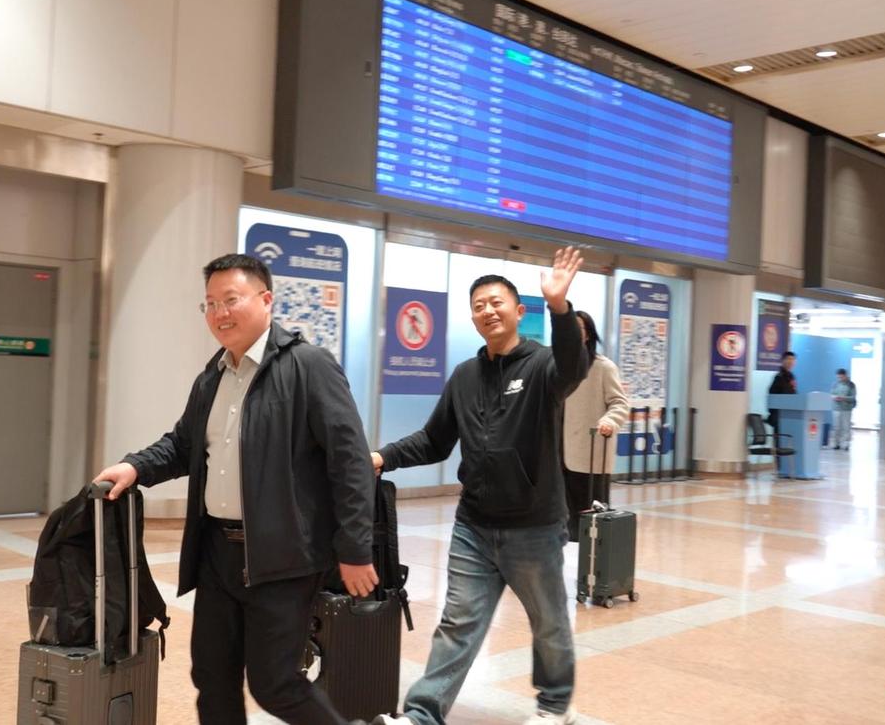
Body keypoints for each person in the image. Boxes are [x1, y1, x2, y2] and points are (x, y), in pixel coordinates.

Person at [93, 254, 378, 725]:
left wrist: (355, 548)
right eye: (210, 304)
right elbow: (183, 444)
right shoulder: (213, 376)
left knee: (276, 685)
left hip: (283, 557)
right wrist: (135, 466)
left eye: (231, 300)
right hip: (217, 554)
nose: (219, 313)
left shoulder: (308, 366)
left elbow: (350, 462)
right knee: (212, 678)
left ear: (266, 300)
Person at [372, 247, 590, 725]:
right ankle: (422, 715)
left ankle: (555, 706)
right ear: (472, 318)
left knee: (549, 623)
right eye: (478, 306)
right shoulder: (465, 376)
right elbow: (434, 440)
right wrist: (383, 457)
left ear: (518, 311)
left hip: (534, 526)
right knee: (458, 623)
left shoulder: (543, 367)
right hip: (474, 525)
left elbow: (574, 367)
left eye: (496, 302)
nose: (488, 311)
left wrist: (560, 307)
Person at [561, 310, 629, 525]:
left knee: (588, 517)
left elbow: (620, 402)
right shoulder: (555, 364)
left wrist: (610, 421)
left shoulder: (603, 367)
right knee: (559, 517)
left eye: (578, 328)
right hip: (556, 452)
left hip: (587, 453)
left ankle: (585, 547)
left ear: (588, 334)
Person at [767, 351, 798, 431]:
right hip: (780, 416)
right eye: (789, 359)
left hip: (790, 415)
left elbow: (793, 393)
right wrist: (773, 414)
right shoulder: (779, 377)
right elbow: (772, 396)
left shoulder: (791, 377)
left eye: (793, 359)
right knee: (780, 437)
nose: (791, 361)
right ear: (783, 361)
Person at [830, 368, 857, 450]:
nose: (840, 379)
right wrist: (835, 397)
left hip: (846, 409)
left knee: (846, 427)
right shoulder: (835, 384)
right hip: (836, 409)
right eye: (838, 377)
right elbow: (831, 394)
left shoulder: (851, 385)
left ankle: (846, 444)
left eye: (841, 377)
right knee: (836, 427)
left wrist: (843, 398)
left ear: (845, 375)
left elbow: (853, 397)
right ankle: (836, 444)